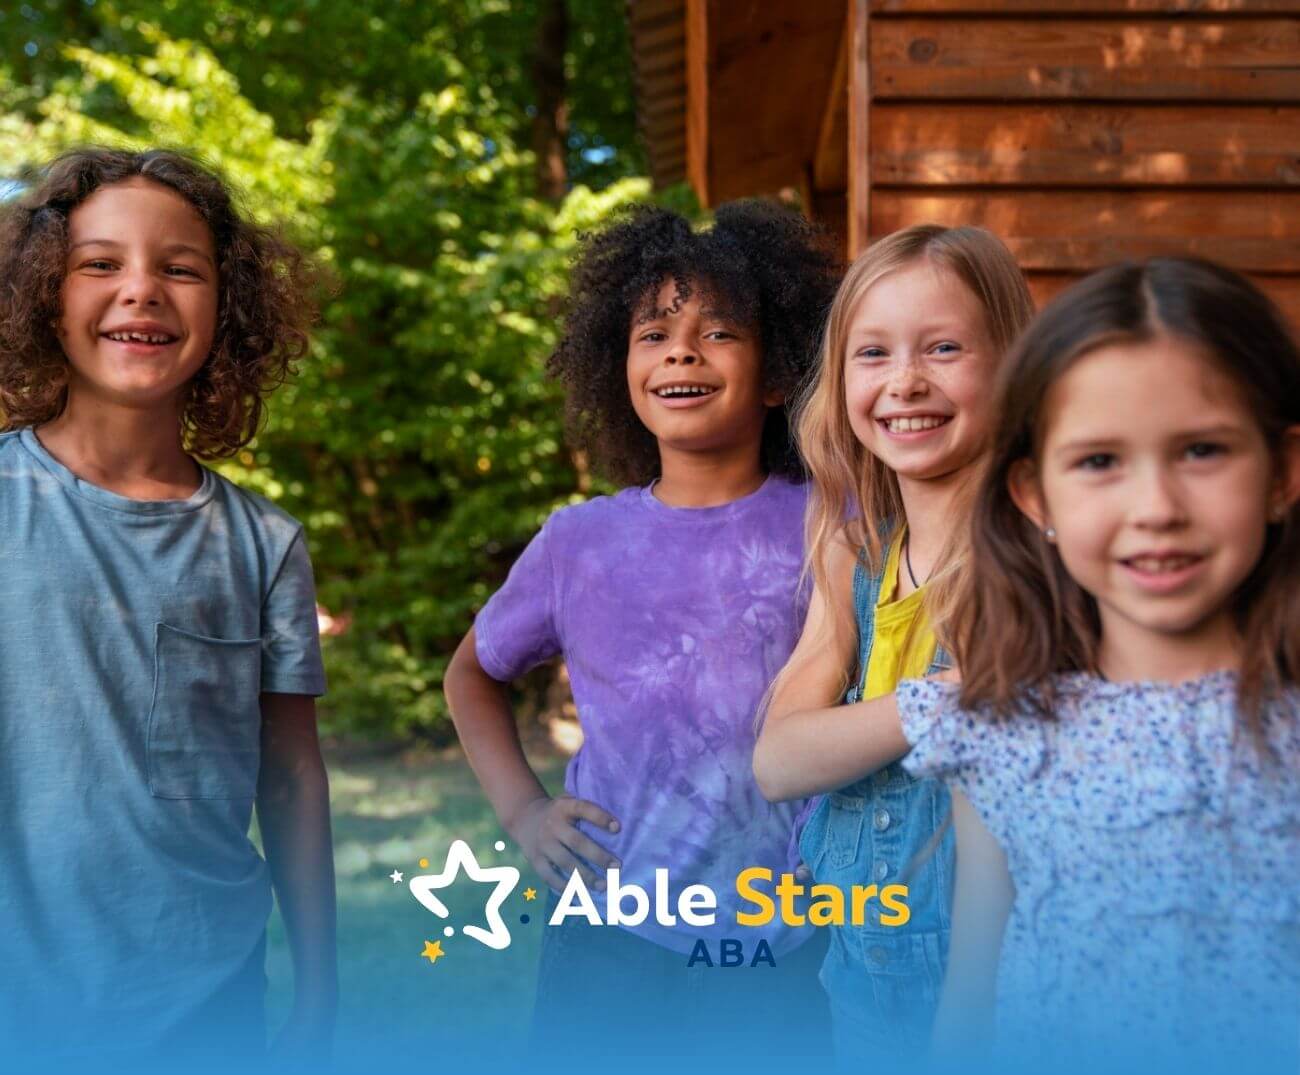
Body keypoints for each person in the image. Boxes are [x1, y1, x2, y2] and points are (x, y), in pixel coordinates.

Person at [757, 258, 1300, 1070]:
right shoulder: (870, 567)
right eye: (1099, 462)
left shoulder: (1058, 602)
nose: (1154, 508)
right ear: (1038, 491)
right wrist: (961, 698)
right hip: (868, 972)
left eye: (1202, 449)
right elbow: (777, 759)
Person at [444, 201, 840, 1060]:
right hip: (610, 939)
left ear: (779, 373)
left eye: (719, 331)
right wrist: (523, 812)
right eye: (653, 333)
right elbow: (471, 674)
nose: (681, 351)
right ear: (619, 366)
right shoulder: (577, 542)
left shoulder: (831, 525)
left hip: (789, 944)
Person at [0, 148, 336, 1066]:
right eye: (100, 263)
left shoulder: (265, 544)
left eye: (179, 267)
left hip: (206, 997)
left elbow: (295, 777)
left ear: (229, 310)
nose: (141, 290)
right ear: (44, 297)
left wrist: (320, 981)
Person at [753, 225, 1033, 1062]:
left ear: (1015, 364)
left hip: (991, 997)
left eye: (944, 347)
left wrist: (968, 1019)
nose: (905, 381)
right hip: (860, 988)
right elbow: (778, 761)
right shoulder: (855, 557)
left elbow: (995, 811)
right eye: (872, 354)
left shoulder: (1032, 560)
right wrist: (948, 700)